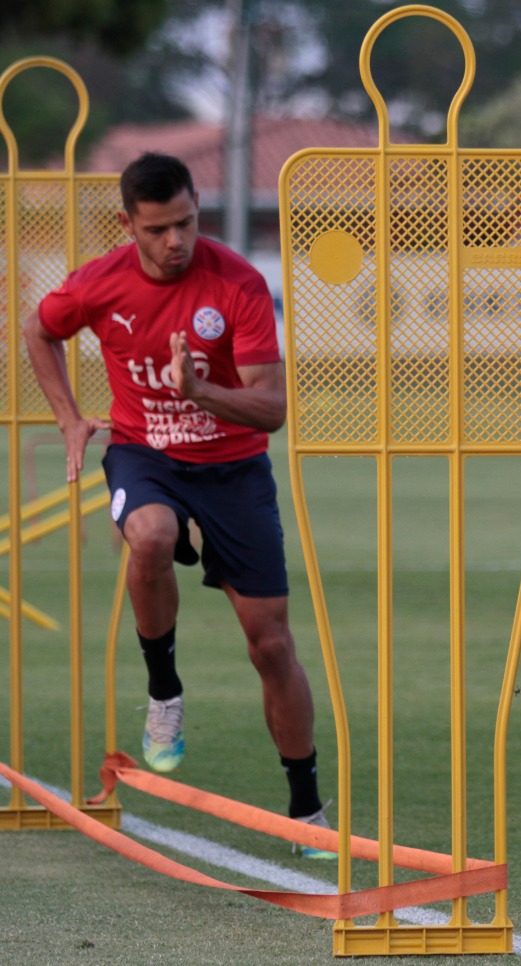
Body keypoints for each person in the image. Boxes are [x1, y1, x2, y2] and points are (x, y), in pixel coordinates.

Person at [24, 152, 332, 857]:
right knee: (151, 537)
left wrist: (203, 394)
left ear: (199, 207)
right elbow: (38, 329)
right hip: (144, 454)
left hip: (233, 468)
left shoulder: (238, 284)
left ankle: (306, 809)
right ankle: (164, 691)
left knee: (271, 644)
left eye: (187, 223)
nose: (176, 242)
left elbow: (273, 409)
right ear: (128, 223)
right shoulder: (98, 283)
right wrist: (70, 417)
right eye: (158, 229)